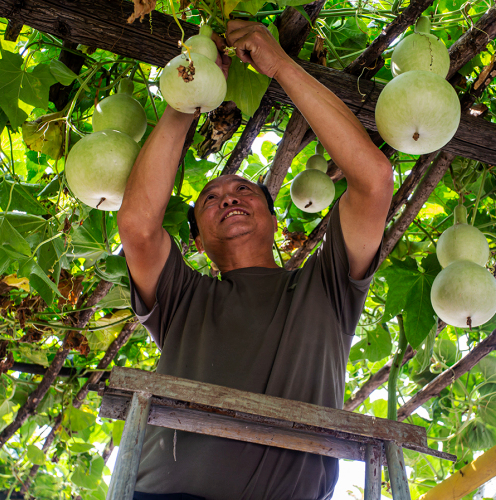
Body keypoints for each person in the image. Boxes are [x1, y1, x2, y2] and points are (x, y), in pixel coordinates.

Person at [117, 19, 394, 500]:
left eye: (244, 189)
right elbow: (138, 227)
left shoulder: (326, 287)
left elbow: (373, 179)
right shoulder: (184, 299)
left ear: (271, 218)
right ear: (197, 242)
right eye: (210, 199)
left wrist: (281, 66)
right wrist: (191, 92)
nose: (228, 197)